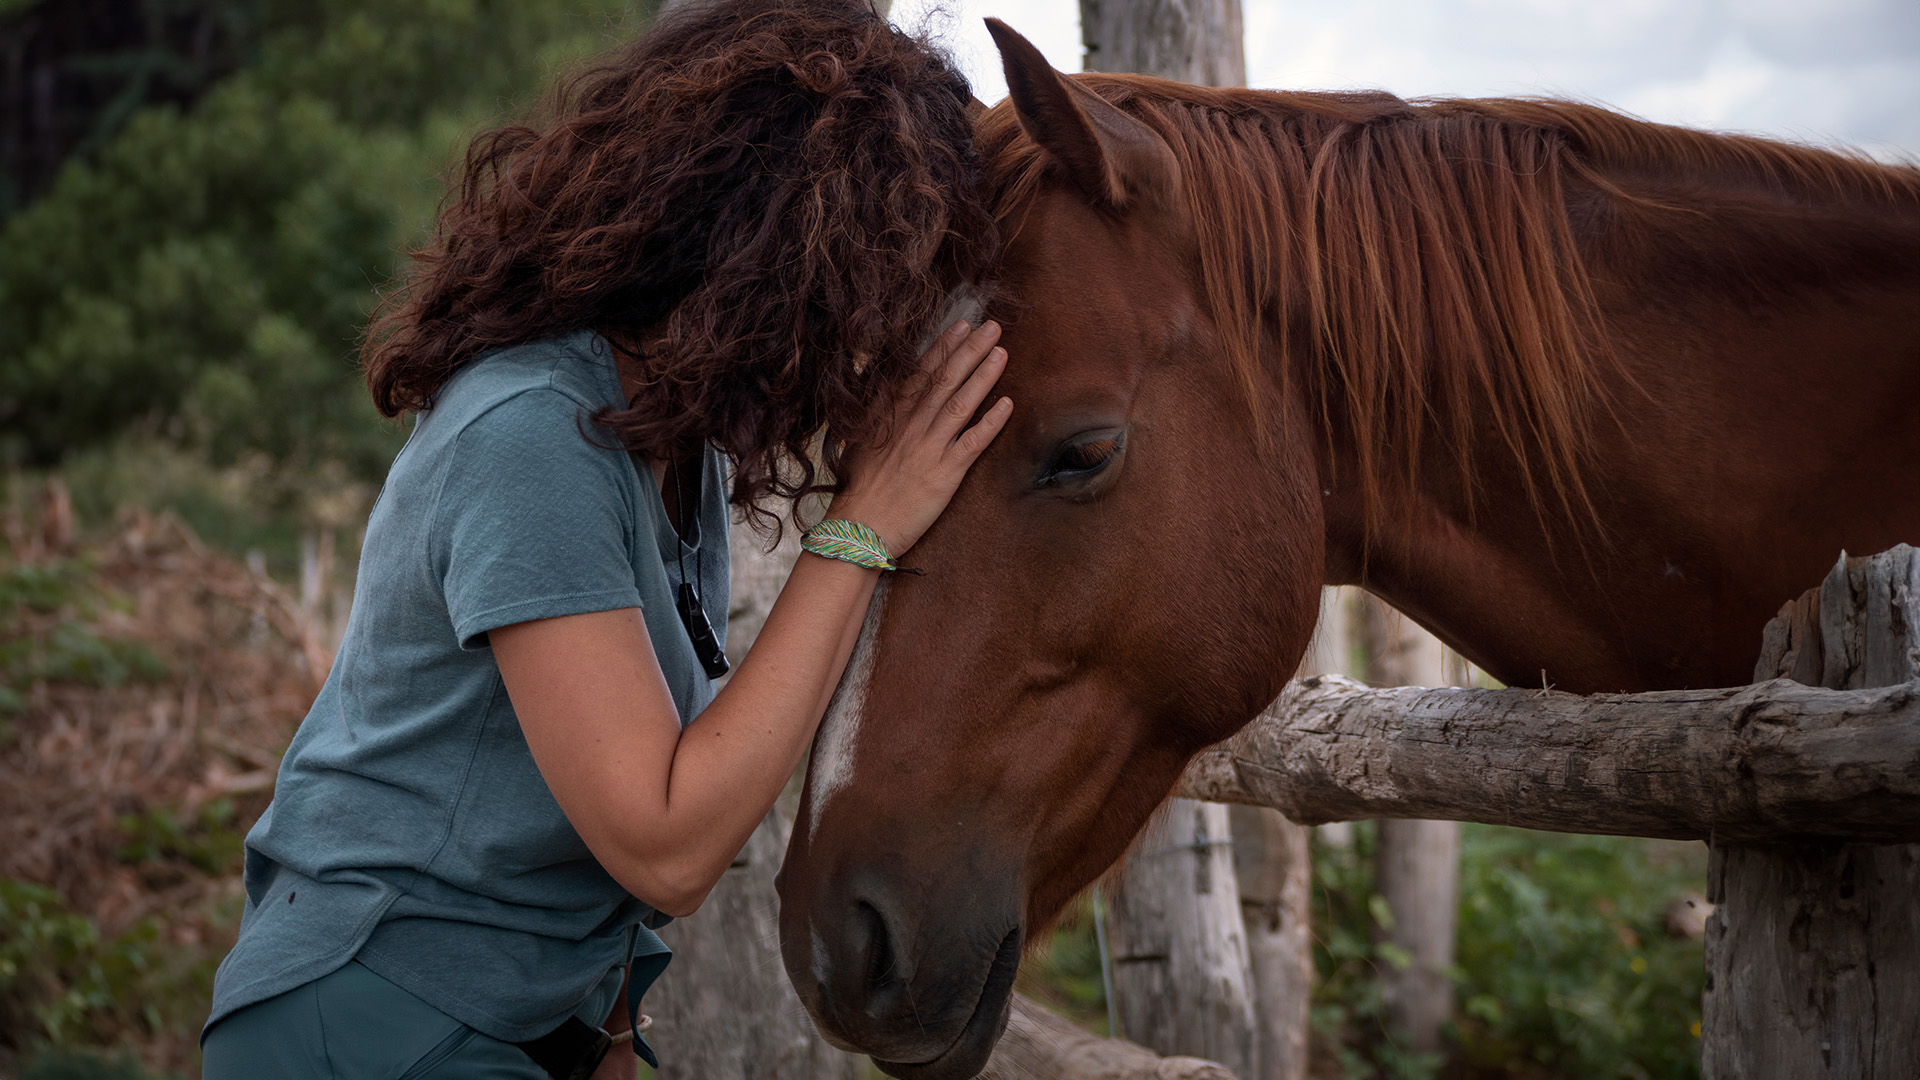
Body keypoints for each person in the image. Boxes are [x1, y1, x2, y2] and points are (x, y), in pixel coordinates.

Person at [198, 0, 1008, 1076]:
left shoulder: (674, 445)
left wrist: (607, 1036)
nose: (879, 342)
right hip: (373, 1018)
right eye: (877, 290)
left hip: (519, 1029)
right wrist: (861, 527)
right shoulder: (532, 430)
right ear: (777, 261)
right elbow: (663, 837)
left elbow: (599, 827)